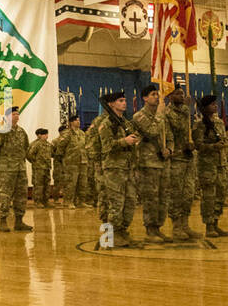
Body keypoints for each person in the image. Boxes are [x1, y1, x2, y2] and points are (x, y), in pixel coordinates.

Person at [97, 90, 142, 249]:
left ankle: (122, 233)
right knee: (115, 204)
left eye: (124, 100)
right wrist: (125, 141)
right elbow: (107, 147)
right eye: (120, 100)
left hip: (128, 168)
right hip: (114, 169)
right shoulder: (107, 124)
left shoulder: (126, 123)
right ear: (111, 104)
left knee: (129, 203)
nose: (124, 103)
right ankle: (108, 238)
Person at [132, 82, 172, 242]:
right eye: (153, 95)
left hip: (163, 162)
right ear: (145, 98)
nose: (157, 97)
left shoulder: (161, 116)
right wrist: (160, 115)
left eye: (157, 94)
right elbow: (151, 131)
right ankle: (150, 230)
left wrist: (169, 148)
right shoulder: (139, 116)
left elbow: (169, 136)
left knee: (163, 197)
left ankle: (158, 227)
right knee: (151, 197)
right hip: (148, 163)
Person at [192, 94, 228, 238]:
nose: (215, 106)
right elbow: (198, 145)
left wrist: (222, 144)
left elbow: (224, 140)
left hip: (220, 163)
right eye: (212, 104)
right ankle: (209, 226)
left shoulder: (219, 123)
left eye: (216, 103)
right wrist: (213, 146)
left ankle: (216, 222)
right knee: (209, 196)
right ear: (205, 107)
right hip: (207, 165)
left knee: (220, 194)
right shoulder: (200, 124)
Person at [165, 88, 200, 241]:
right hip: (176, 158)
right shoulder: (168, 113)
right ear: (170, 96)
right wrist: (186, 109)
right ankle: (177, 227)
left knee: (188, 194)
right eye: (178, 94)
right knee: (176, 194)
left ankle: (185, 225)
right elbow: (178, 127)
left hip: (188, 158)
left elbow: (188, 131)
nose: (182, 96)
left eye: (182, 93)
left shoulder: (185, 111)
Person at [0, 104, 31, 232]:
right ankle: (3, 221)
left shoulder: (21, 132)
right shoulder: (2, 130)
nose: (17, 116)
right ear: (8, 117)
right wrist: (2, 163)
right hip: (6, 170)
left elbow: (26, 147)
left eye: (18, 114)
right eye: (14, 114)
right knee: (5, 195)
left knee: (21, 195)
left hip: (20, 169)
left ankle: (19, 222)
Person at [60, 114, 92, 208]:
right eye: (76, 120)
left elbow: (86, 145)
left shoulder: (82, 133)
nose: (78, 122)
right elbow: (61, 147)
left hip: (83, 161)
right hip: (71, 162)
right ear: (71, 122)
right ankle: (68, 201)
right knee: (71, 183)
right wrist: (65, 159)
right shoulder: (67, 133)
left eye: (79, 120)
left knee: (82, 183)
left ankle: (81, 201)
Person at [27, 127, 53, 208]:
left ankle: (46, 201)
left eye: (46, 134)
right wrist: (35, 162)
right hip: (38, 168)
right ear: (39, 135)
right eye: (44, 134)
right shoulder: (36, 144)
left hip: (47, 168)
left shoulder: (48, 144)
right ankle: (37, 202)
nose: (46, 136)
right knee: (38, 185)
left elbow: (52, 154)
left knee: (47, 185)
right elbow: (29, 155)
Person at [51, 121, 68, 204]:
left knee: (68, 182)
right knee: (57, 183)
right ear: (61, 132)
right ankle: (56, 199)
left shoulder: (69, 140)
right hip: (58, 164)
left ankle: (66, 200)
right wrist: (58, 155)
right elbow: (51, 153)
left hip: (68, 164)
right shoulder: (55, 141)